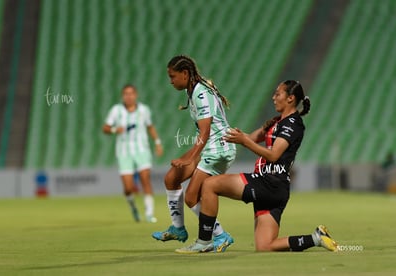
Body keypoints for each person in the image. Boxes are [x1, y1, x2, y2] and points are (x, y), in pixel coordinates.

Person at [176, 80, 339, 253]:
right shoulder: (276, 121)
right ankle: (316, 238)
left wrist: (244, 141)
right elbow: (251, 137)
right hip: (274, 189)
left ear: (290, 98)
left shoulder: (293, 124)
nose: (273, 97)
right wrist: (226, 131)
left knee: (210, 185)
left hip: (269, 183)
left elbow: (274, 155)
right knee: (265, 246)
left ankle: (204, 241)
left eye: (278, 94)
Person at [152, 55, 236, 252]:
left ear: (185, 74)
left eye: (173, 76)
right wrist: (188, 157)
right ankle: (178, 229)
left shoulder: (200, 94)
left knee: (191, 197)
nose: (171, 81)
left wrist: (188, 157)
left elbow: (206, 133)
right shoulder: (194, 89)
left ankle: (220, 235)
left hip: (218, 149)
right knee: (172, 178)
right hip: (210, 147)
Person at [103, 84, 163, 223]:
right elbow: (105, 128)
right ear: (122, 96)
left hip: (142, 149)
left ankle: (149, 213)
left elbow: (150, 127)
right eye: (125, 94)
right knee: (129, 187)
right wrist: (114, 130)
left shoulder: (144, 110)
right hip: (124, 151)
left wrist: (158, 142)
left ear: (136, 95)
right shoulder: (116, 110)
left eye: (131, 93)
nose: (128, 96)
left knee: (145, 179)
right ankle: (133, 206)